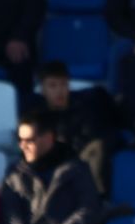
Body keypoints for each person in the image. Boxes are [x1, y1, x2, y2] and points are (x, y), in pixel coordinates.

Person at [27, 61, 118, 196]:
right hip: (54, 171)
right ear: (43, 89)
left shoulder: (84, 109)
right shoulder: (36, 116)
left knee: (96, 149)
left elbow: (95, 139)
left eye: (63, 84)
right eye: (53, 86)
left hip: (82, 163)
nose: (60, 91)